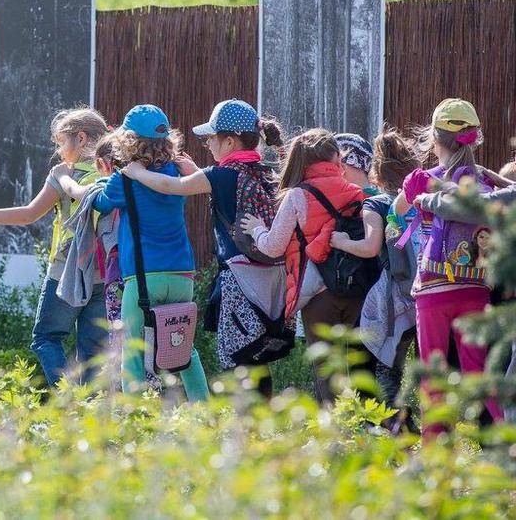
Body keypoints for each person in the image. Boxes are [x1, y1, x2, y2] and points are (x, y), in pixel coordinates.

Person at [123, 99, 287, 397]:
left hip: (240, 280)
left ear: (229, 140)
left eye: (211, 137)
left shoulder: (220, 175)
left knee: (236, 360)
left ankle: (245, 433)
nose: (207, 143)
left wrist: (136, 173)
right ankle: (265, 427)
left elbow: (172, 186)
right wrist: (199, 170)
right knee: (257, 356)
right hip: (274, 278)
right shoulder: (265, 172)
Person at [0, 108, 110, 386]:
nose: (57, 150)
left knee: (46, 338)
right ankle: (92, 417)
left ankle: (68, 404)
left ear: (80, 138)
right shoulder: (112, 173)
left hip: (67, 269)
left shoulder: (64, 174)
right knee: (93, 353)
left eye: (60, 142)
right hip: (104, 271)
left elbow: (30, 214)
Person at [83, 105, 209, 398]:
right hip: (182, 273)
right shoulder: (177, 172)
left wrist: (96, 181)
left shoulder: (124, 178)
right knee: (182, 347)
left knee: (133, 348)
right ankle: (205, 411)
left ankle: (135, 415)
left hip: (142, 278)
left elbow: (100, 204)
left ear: (126, 141)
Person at [394, 99, 504, 433]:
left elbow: (397, 213)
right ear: (474, 138)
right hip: (475, 288)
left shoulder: (421, 180)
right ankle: (507, 441)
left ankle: (435, 454)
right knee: (480, 372)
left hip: (434, 290)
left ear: (434, 138)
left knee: (433, 375)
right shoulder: (485, 186)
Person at [241, 128, 368, 405]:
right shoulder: (356, 192)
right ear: (335, 157)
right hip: (357, 288)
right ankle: (364, 431)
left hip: (316, 291)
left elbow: (273, 246)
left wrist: (257, 230)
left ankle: (333, 437)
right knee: (357, 367)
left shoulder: (297, 195)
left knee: (326, 372)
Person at [329, 130, 420, 425]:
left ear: (377, 174)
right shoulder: (420, 200)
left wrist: (340, 241)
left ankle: (393, 427)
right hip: (427, 290)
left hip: (393, 296)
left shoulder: (377, 203)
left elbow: (370, 247)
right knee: (422, 369)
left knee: (383, 368)